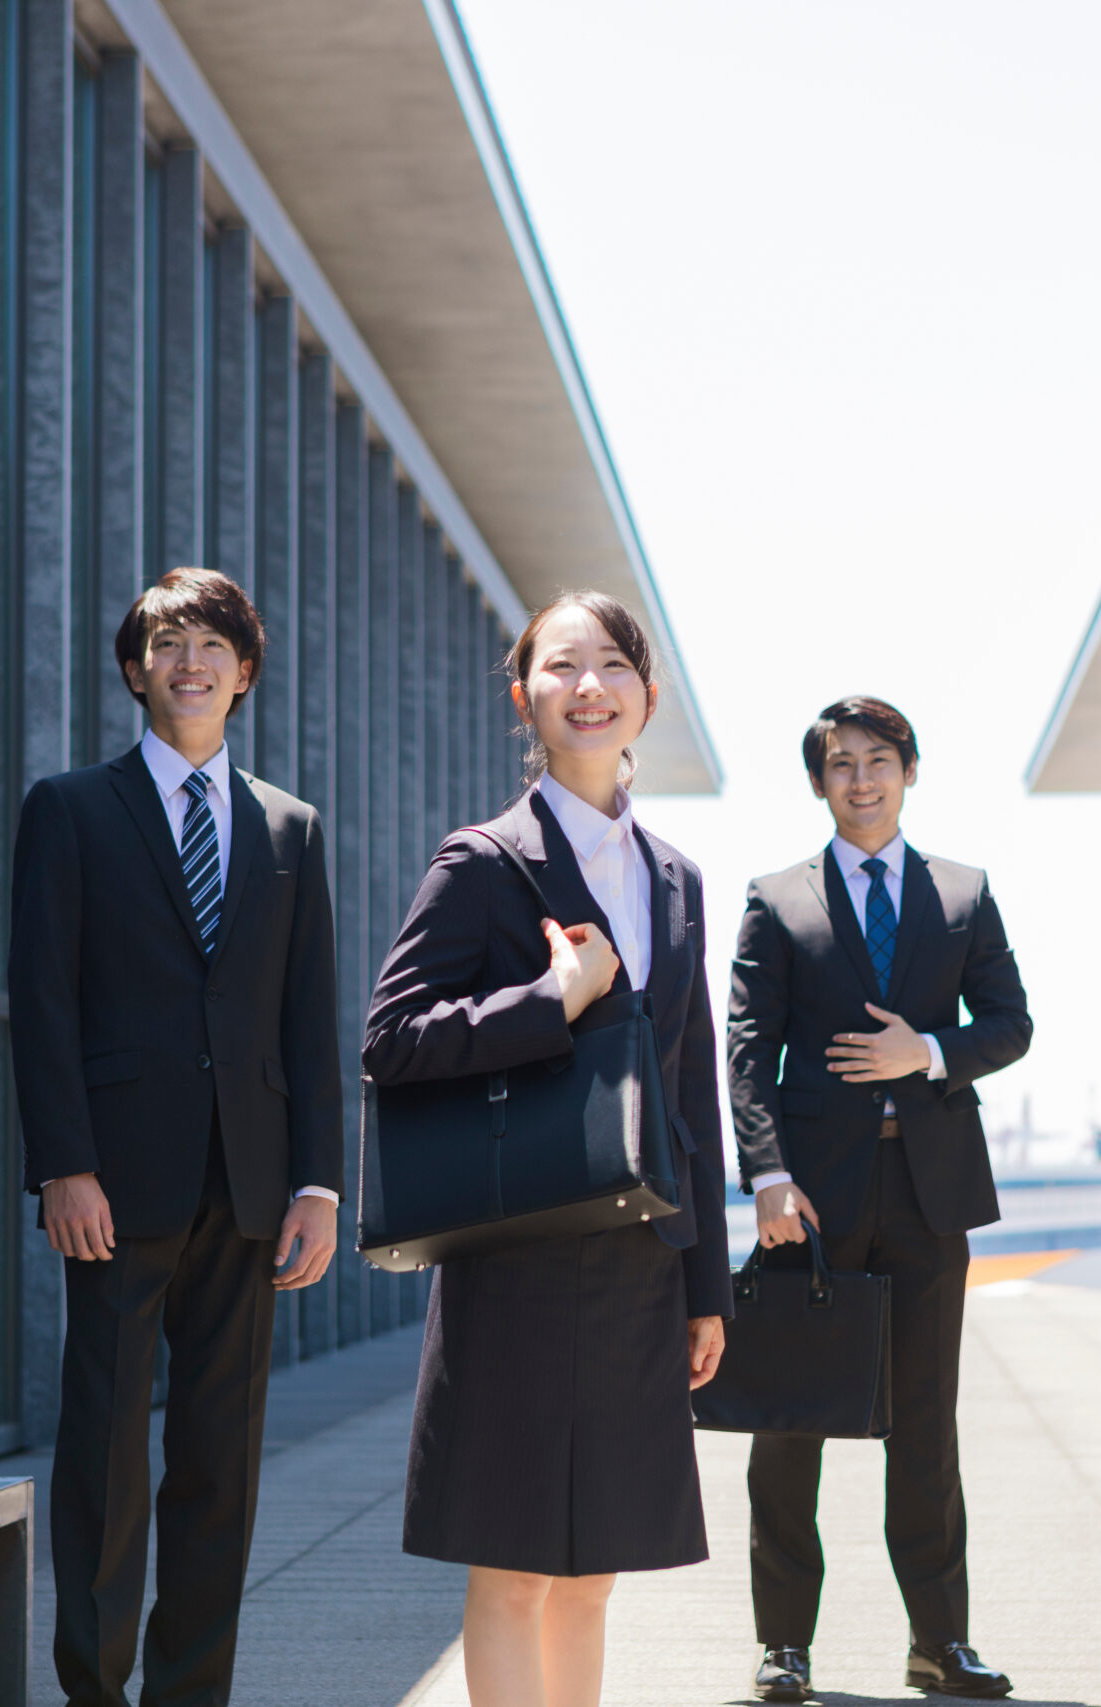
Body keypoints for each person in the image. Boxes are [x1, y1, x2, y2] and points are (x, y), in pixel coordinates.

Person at [363, 590, 731, 1707]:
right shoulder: (483, 863)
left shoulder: (674, 878)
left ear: (646, 698)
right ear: (523, 695)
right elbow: (390, 1039)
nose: (588, 687)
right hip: (515, 1255)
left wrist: (704, 1282)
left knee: (596, 1574)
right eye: (560, 667)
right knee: (517, 1567)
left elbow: (690, 1095)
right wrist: (549, 999)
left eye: (611, 666)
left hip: (635, 1265)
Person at [8, 568, 342, 1707]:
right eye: (164, 642)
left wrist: (318, 1185)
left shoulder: (290, 827)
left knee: (219, 1463)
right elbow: (41, 998)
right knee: (103, 1457)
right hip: (113, 1185)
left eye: (210, 643)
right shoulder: (70, 809)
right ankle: (93, 1692)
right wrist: (63, 1163)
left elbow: (308, 1019)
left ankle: (190, 1694)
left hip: (249, 1191)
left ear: (244, 672)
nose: (187, 661)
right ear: (133, 669)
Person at [726, 696, 1031, 1703]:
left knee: (926, 1423)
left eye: (878, 760)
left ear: (909, 770)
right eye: (839, 764)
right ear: (819, 782)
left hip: (927, 1194)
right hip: (807, 1202)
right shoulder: (778, 899)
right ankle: (783, 1646)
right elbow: (743, 1052)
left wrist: (927, 1052)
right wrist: (767, 1175)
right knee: (788, 1424)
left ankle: (939, 1642)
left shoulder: (962, 892)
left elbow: (1010, 1022)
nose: (860, 779)